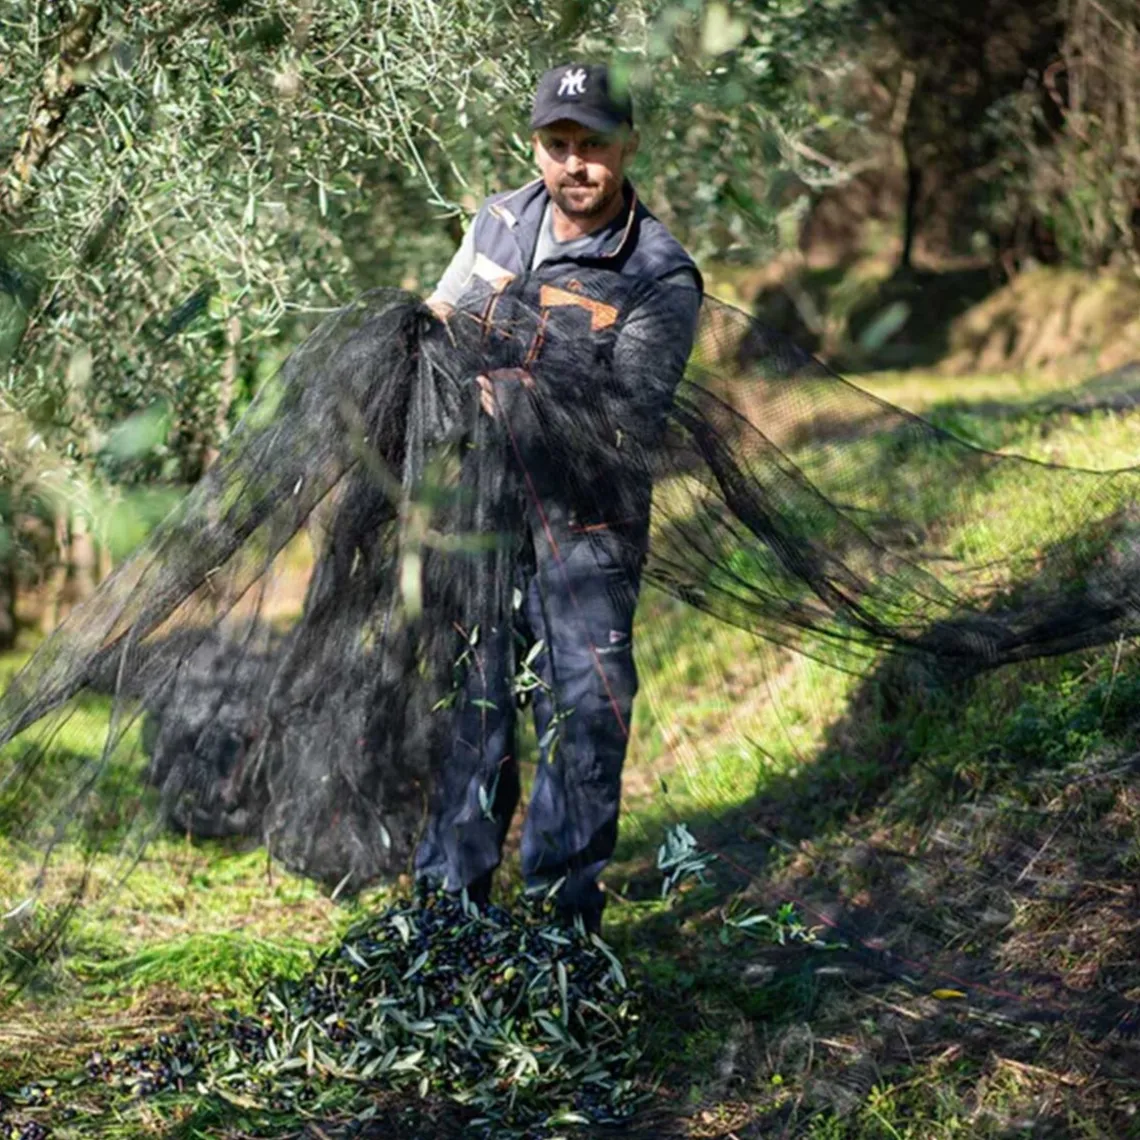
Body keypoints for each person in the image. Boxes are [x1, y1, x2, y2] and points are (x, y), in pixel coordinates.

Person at [414, 62, 703, 934]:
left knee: (585, 711)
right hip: (485, 510)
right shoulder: (499, 219)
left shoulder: (660, 274)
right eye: (558, 145)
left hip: (589, 528)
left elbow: (629, 422)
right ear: (535, 144)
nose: (575, 165)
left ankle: (558, 932)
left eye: (594, 147)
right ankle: (448, 918)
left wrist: (518, 393)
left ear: (630, 147)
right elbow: (444, 312)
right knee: (474, 702)